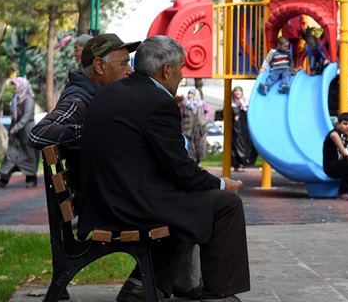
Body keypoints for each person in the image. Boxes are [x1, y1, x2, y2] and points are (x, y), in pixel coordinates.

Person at [79, 36, 250, 301]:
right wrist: (223, 184)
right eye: (181, 68)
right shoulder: (157, 103)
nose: (182, 76)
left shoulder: (115, 91)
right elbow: (180, 170)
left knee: (185, 204)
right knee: (225, 204)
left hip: (104, 198)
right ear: (166, 70)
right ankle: (219, 293)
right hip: (125, 204)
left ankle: (141, 285)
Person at [30, 33, 139, 189]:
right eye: (124, 64)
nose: (130, 71)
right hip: (99, 200)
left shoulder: (98, 96)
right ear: (100, 66)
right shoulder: (79, 99)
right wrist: (95, 131)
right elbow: (38, 133)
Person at [0, 78, 39, 188]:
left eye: (16, 85)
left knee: (28, 155)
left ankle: (31, 179)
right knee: (11, 154)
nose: (14, 88)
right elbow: (13, 115)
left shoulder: (29, 99)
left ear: (22, 86)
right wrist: (12, 129)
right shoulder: (16, 98)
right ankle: (3, 179)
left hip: (26, 132)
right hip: (15, 133)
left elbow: (27, 116)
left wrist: (16, 127)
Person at [230, 86, 257, 171]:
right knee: (237, 146)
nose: (237, 93)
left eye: (239, 91)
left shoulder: (246, 102)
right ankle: (238, 164)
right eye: (236, 91)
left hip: (245, 128)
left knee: (248, 145)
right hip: (236, 129)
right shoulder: (231, 103)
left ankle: (245, 162)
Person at [180, 88, 208, 164]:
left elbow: (207, 112)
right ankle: (191, 161)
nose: (190, 95)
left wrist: (204, 121)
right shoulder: (185, 104)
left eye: (192, 94)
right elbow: (181, 115)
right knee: (189, 145)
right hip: (188, 127)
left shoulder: (202, 104)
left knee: (199, 145)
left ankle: (198, 161)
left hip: (199, 128)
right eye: (189, 93)